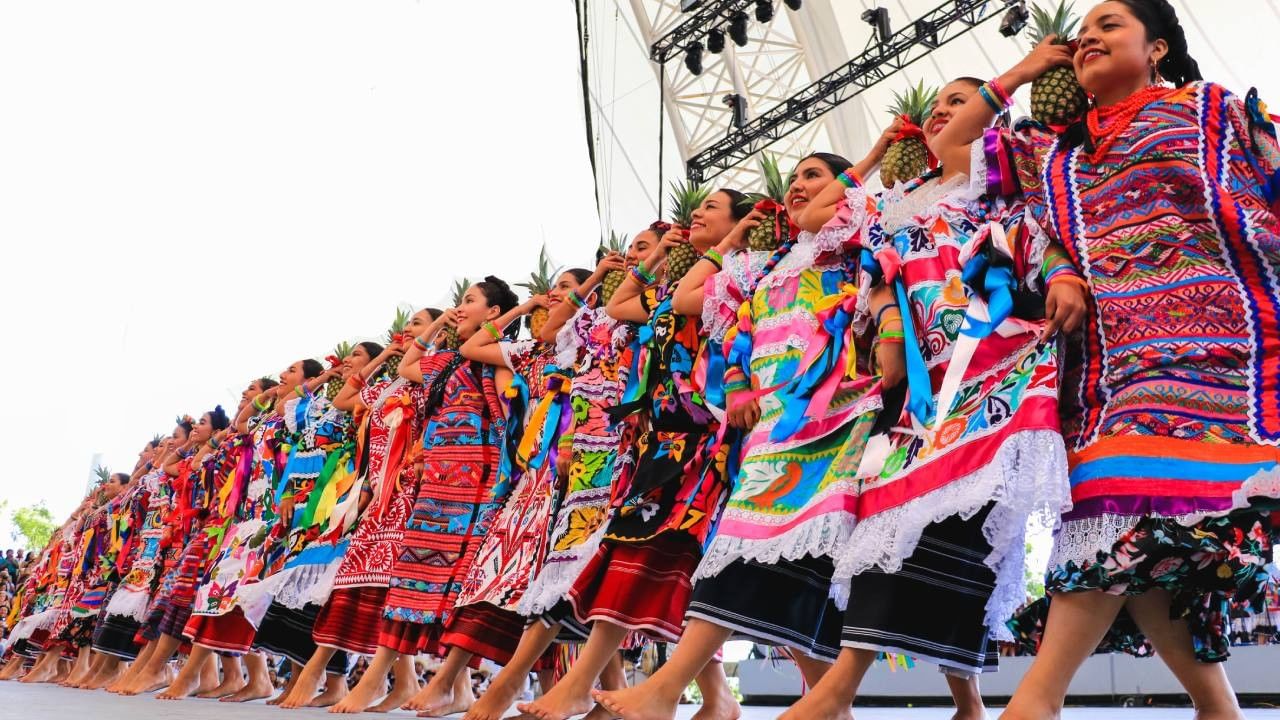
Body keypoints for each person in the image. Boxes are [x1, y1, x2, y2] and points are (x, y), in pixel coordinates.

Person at [931, 2, 1280, 718]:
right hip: (1107, 367)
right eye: (1081, 28)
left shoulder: (1210, 111)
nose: (1089, 35)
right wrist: (1027, 70)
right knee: (1135, 543)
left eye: (1111, 24)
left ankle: (1035, 700)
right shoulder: (1050, 149)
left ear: (1156, 48)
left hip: (1216, 355)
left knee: (1109, 503)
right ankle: (1217, 708)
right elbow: (954, 152)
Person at [594, 146, 900, 720]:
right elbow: (694, 306)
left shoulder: (851, 237)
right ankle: (828, 704)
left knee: (768, 552)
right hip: (767, 427)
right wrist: (736, 386)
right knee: (761, 552)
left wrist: (879, 149)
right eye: (794, 179)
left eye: (814, 176)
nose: (799, 187)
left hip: (832, 415)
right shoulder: (772, 262)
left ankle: (668, 690)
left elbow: (860, 226)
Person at [517, 190, 751, 720]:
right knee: (642, 557)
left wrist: (727, 246)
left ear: (740, 225)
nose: (697, 215)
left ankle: (807, 694)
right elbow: (623, 305)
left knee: (679, 564)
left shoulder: (738, 276)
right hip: (665, 442)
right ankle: (713, 699)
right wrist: (651, 260)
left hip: (712, 442)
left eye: (712, 209)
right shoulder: (674, 292)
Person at [332, 277, 520, 714]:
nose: (460, 308)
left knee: (463, 585)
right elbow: (406, 366)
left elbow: (510, 419)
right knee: (412, 580)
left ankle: (450, 683)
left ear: (493, 313)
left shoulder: (496, 359)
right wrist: (435, 329)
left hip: (479, 485)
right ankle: (404, 681)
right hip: (436, 483)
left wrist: (516, 311)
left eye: (469, 301)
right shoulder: (449, 361)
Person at [282, 309, 441, 710]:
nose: (408, 331)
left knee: (386, 584)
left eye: (418, 325)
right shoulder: (391, 387)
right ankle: (390, 679)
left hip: (410, 491)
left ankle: (354, 675)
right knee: (360, 579)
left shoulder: (433, 378)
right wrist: (386, 355)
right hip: (375, 494)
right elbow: (342, 398)